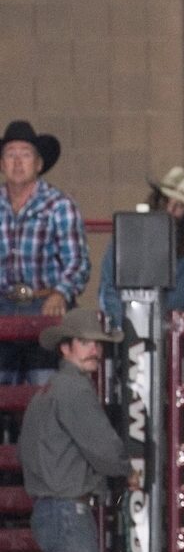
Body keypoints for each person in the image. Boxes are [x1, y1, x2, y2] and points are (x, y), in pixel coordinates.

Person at [16, 308, 139, 552]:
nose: (94, 351)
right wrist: (125, 470)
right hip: (69, 513)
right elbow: (104, 449)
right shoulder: (74, 390)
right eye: (87, 343)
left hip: (53, 511)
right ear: (67, 348)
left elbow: (29, 452)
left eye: (96, 344)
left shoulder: (47, 394)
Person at [0, 120, 90, 385]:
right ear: (2, 163)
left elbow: (78, 262)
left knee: (46, 387)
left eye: (25, 155)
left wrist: (61, 292)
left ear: (39, 164)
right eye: (10, 155)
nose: (17, 162)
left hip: (45, 304)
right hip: (2, 304)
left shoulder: (59, 206)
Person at [97, 166, 184, 329]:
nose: (170, 210)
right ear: (157, 199)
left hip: (177, 333)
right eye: (167, 201)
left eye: (180, 206)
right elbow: (108, 286)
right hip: (125, 326)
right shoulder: (128, 232)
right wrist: (123, 327)